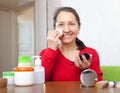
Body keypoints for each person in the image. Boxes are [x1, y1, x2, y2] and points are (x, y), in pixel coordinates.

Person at [39, 7, 103, 81]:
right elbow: (40, 82)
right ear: (55, 29)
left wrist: (85, 70)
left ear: (79, 28)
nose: (66, 30)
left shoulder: (91, 53)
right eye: (61, 24)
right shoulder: (45, 53)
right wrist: (51, 50)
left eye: (71, 24)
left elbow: (98, 86)